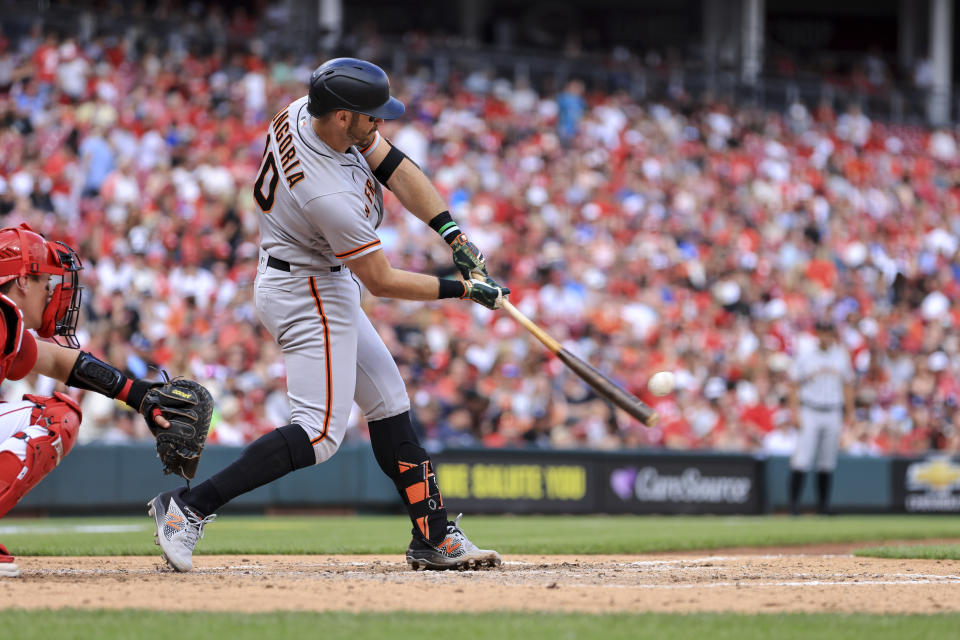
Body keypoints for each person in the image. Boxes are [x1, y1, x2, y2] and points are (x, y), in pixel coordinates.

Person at [147, 57, 511, 572]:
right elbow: (381, 281)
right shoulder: (327, 193)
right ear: (342, 116)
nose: (378, 123)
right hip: (307, 286)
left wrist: (453, 235)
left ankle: (433, 534)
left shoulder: (307, 110)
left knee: (388, 399)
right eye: (370, 116)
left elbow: (393, 167)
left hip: (308, 273)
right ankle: (187, 507)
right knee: (318, 435)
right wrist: (464, 289)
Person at [0, 224, 173, 578]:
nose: (51, 293)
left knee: (56, 413)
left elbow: (62, 362)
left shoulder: (8, 326)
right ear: (22, 282)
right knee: (56, 421)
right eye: (44, 283)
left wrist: (136, 395)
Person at [787, 319, 854, 515]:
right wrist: (795, 413)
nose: (825, 336)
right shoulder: (806, 355)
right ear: (817, 334)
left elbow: (848, 385)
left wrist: (850, 413)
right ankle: (794, 506)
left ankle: (823, 507)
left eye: (828, 332)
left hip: (833, 410)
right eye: (822, 332)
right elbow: (793, 385)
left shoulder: (841, 355)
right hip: (810, 410)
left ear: (833, 334)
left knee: (827, 460)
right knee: (802, 458)